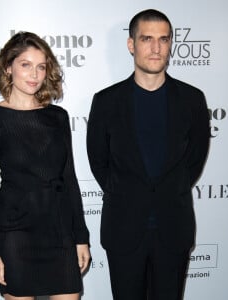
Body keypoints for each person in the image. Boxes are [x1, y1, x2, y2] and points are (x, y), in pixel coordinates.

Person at [87, 9, 210, 300]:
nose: (156, 48)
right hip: (123, 229)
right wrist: (127, 192)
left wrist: (170, 189)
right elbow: (98, 161)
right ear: (131, 45)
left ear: (170, 44)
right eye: (146, 39)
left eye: (163, 39)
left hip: (173, 228)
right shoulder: (106, 102)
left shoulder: (192, 100)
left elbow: (194, 160)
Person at [0, 31, 90, 300]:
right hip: (16, 235)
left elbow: (69, 179)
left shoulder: (58, 117)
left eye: (41, 66)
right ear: (8, 67)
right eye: (25, 64)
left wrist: (80, 237)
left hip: (60, 232)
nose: (34, 74)